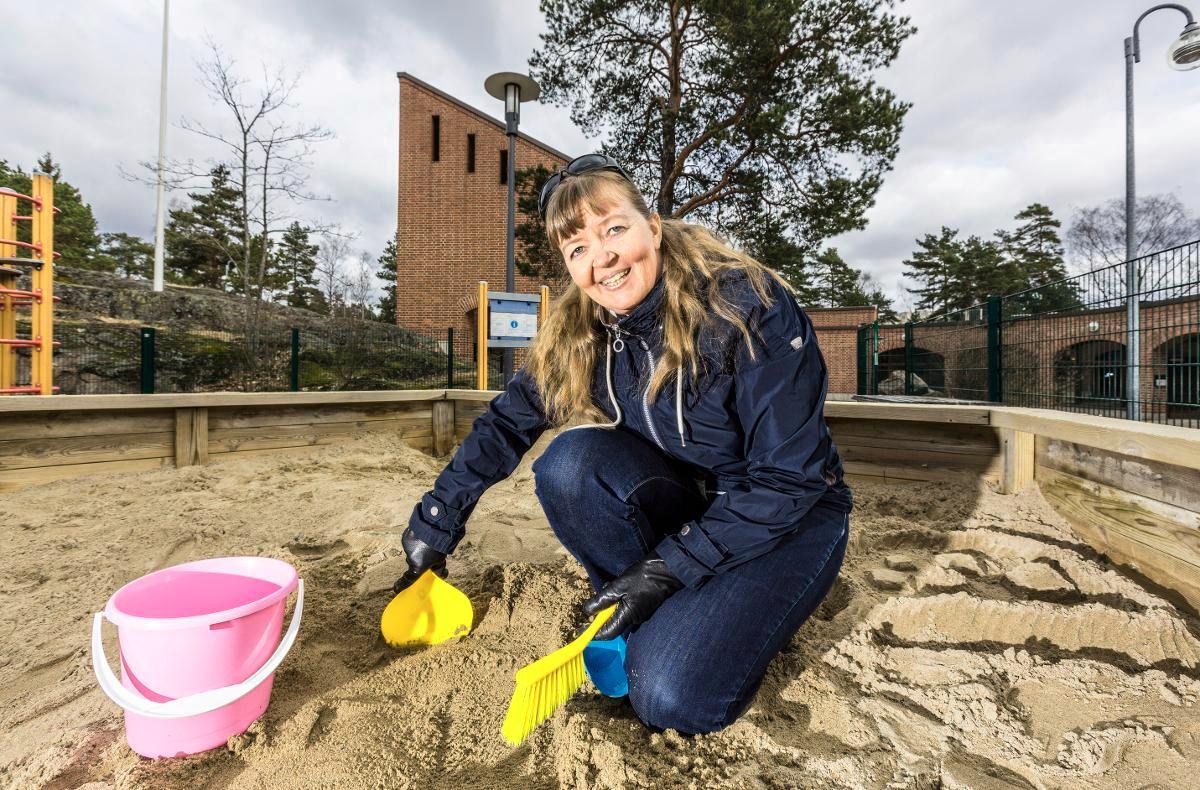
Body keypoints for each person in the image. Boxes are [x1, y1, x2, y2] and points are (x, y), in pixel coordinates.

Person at [392, 153, 852, 735]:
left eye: (613, 229)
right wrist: (435, 523)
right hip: (694, 507)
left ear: (653, 227)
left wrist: (667, 568)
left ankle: (702, 615)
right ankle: (659, 613)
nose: (602, 258)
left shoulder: (745, 308)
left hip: (790, 516)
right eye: (577, 248)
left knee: (668, 696)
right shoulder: (584, 330)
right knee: (569, 466)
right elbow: (506, 424)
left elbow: (789, 479)